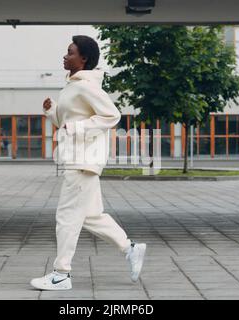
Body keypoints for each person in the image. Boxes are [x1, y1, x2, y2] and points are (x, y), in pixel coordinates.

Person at [30, 35, 146, 291]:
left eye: (70, 52)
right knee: (92, 216)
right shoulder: (72, 85)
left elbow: (112, 116)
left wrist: (77, 127)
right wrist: (52, 112)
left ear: (83, 59)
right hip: (77, 158)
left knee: (67, 216)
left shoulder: (87, 85)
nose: (65, 55)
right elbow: (66, 123)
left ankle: (61, 274)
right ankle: (131, 248)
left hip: (82, 161)